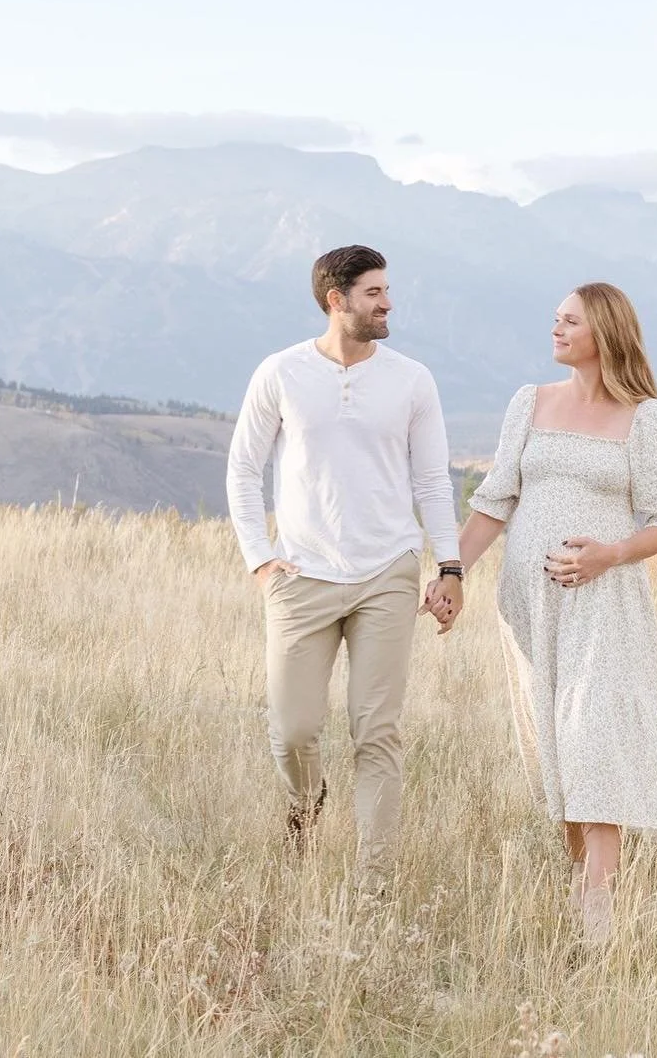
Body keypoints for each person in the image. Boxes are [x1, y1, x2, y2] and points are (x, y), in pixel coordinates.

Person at [421, 281, 657, 943]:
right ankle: (586, 886)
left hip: (602, 605)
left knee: (595, 740)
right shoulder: (530, 403)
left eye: (568, 321)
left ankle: (597, 916)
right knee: (556, 748)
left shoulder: (646, 418)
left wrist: (611, 553)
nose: (554, 329)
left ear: (603, 331)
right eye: (554, 319)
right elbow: (494, 502)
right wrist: (451, 573)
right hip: (527, 611)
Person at [227, 244, 463, 889]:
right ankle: (307, 803)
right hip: (300, 576)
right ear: (337, 299)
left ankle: (374, 881)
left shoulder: (412, 379)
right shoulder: (280, 372)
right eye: (374, 293)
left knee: (376, 731)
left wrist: (450, 567)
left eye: (388, 291)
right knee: (293, 730)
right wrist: (259, 561)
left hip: (387, 569)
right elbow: (244, 469)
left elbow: (432, 482)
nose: (388, 304)